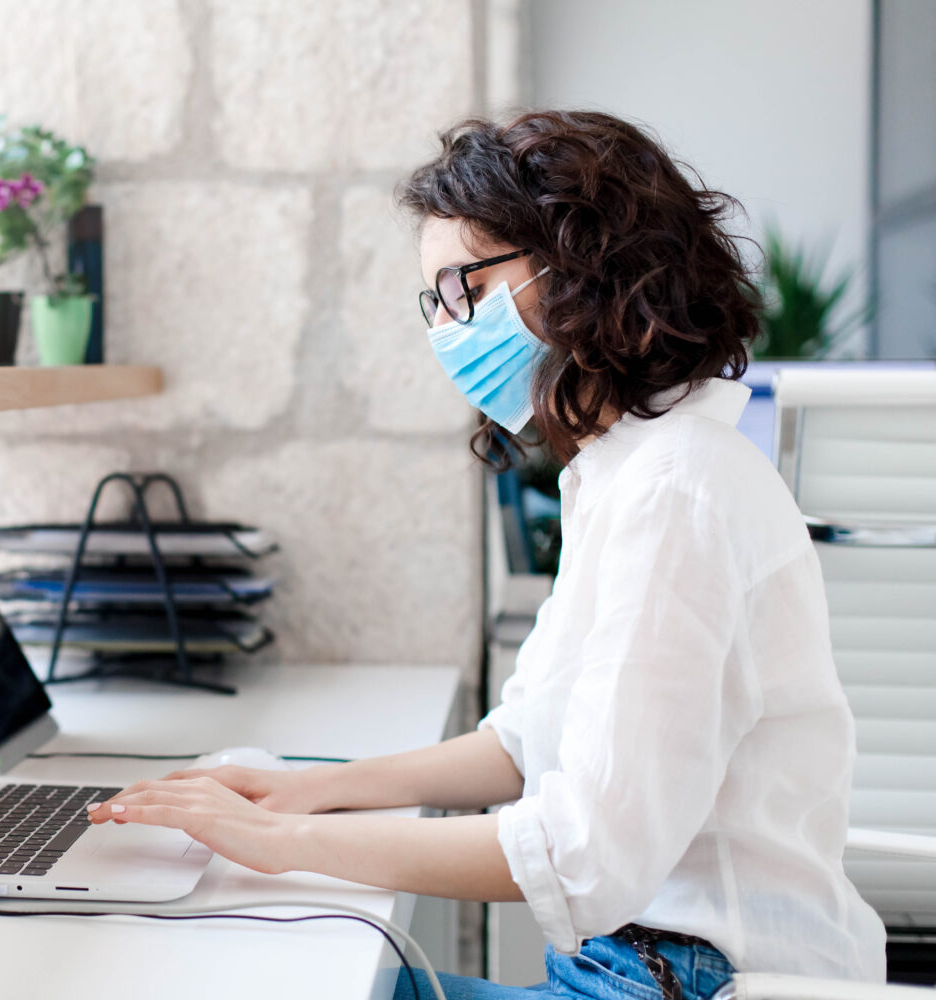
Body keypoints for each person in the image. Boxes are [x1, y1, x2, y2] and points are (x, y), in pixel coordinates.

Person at [85, 109, 886, 999]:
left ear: (583, 264)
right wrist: (300, 795)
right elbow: (521, 743)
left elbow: (582, 856)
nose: (447, 328)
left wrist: (280, 847)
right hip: (645, 971)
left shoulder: (677, 491)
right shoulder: (622, 473)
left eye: (463, 289)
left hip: (693, 981)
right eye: (433, 305)